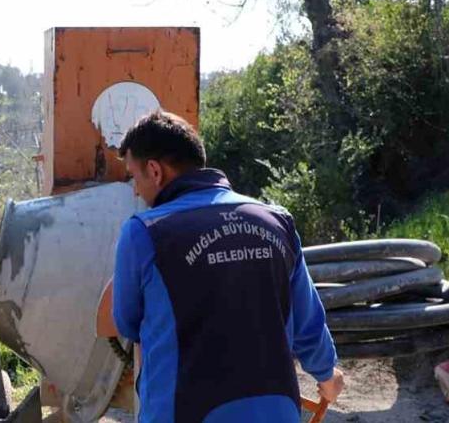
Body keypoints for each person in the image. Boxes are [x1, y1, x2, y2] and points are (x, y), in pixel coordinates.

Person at [112, 110, 345, 423]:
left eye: (134, 177)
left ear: (154, 171)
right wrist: (326, 375)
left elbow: (127, 324)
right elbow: (307, 323)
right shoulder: (277, 222)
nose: (135, 190)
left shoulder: (144, 232)